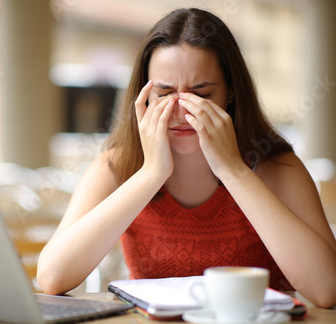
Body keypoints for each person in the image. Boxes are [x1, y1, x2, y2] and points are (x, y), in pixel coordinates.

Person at [37, 8, 336, 308]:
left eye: (201, 95)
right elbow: (52, 277)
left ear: (231, 93)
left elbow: (327, 289)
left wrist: (234, 171)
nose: (181, 112)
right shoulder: (117, 168)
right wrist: (151, 173)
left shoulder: (279, 169)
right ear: (144, 96)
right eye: (165, 94)